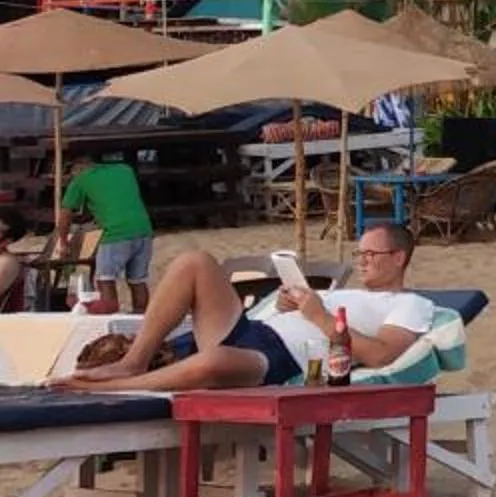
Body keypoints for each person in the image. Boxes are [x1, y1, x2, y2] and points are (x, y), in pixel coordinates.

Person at [51, 223, 435, 393]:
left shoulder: (410, 304)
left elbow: (383, 356)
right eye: (360, 253)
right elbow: (296, 319)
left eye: (372, 253)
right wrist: (289, 306)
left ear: (399, 257)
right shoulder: (346, 295)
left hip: (280, 359)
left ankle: (123, 387)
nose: (363, 260)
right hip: (254, 329)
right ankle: (134, 360)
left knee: (213, 362)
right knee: (194, 261)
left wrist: (318, 315)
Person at [58, 153, 155, 313]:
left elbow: (66, 213)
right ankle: (141, 317)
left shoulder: (80, 179)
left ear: (75, 169)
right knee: (138, 280)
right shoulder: (124, 170)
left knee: (105, 279)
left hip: (115, 233)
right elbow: (113, 200)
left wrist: (63, 241)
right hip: (143, 230)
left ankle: (109, 313)